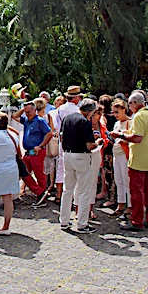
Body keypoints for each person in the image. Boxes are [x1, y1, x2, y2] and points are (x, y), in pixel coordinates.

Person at [110, 92, 148, 231]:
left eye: (130, 104)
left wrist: (120, 134)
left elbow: (137, 138)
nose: (129, 107)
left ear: (134, 103)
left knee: (136, 191)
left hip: (139, 158)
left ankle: (137, 221)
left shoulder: (139, 116)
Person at [59, 98, 104, 234]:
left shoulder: (67, 118)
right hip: (81, 156)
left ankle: (64, 221)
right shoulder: (85, 122)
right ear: (90, 111)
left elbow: (61, 136)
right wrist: (98, 142)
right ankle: (82, 223)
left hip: (67, 154)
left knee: (67, 190)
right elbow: (89, 145)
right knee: (84, 191)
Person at [12, 100, 53, 207]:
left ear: (34, 110)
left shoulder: (39, 121)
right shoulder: (26, 120)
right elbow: (14, 116)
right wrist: (23, 109)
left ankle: (41, 195)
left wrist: (41, 146)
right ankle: (40, 192)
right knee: (24, 172)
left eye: (29, 111)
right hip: (28, 153)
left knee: (39, 174)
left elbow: (49, 133)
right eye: (26, 112)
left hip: (36, 152)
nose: (27, 114)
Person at [54, 86, 85, 207]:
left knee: (61, 167)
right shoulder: (77, 110)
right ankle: (73, 197)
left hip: (63, 140)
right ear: (76, 97)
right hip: (75, 142)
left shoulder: (60, 109)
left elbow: (57, 127)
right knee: (75, 170)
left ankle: (59, 194)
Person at [109, 99, 132, 220]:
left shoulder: (130, 122)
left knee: (126, 180)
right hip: (116, 153)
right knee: (118, 180)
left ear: (124, 110)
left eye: (117, 112)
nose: (115, 115)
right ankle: (121, 203)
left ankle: (129, 206)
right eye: (113, 112)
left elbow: (132, 139)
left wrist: (120, 138)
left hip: (124, 154)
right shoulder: (117, 123)